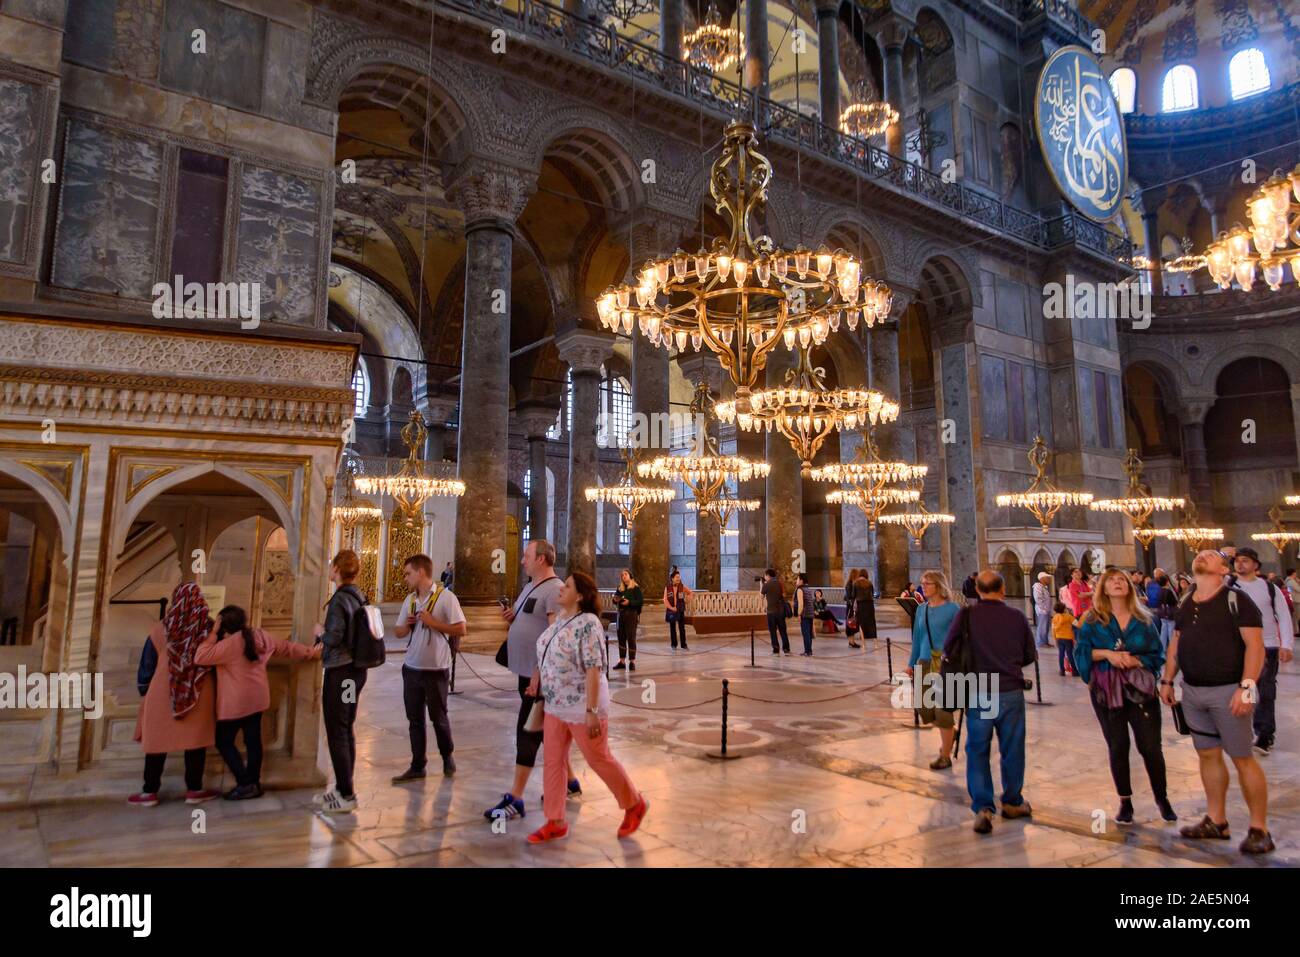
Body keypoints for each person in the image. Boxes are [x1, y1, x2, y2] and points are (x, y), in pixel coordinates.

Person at [1160, 550, 1273, 854]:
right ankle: (1216, 820)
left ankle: (1259, 828)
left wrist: (1246, 688)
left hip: (1229, 691)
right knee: (1207, 755)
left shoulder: (1237, 600)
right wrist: (1168, 680)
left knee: (1242, 757)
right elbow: (1176, 642)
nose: (1204, 553)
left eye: (1212, 554)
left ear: (1224, 569)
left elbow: (1256, 647)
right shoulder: (1186, 600)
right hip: (1194, 691)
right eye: (1200, 552)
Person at [525, 571, 648, 844]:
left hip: (583, 706)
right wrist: (537, 678)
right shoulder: (560, 620)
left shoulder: (589, 623)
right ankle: (554, 820)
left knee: (598, 758)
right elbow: (547, 654)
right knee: (554, 762)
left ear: (579, 595)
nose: (560, 589)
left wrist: (592, 711)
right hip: (555, 705)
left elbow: (594, 668)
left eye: (566, 586)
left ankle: (633, 803)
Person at [1073, 569, 1175, 826]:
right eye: (1112, 581)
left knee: (1150, 746)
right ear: (1104, 589)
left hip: (1139, 689)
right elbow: (1082, 652)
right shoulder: (1092, 620)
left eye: (1122, 580)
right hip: (1107, 691)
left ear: (1129, 587)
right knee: (1118, 746)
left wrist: (1136, 659)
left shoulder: (1144, 619)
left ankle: (1162, 798)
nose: (1117, 584)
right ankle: (1125, 801)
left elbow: (1157, 654)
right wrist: (1108, 654)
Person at [484, 540, 576, 822]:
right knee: (547, 730)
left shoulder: (555, 590)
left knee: (527, 731)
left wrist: (538, 674)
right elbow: (530, 622)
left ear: (541, 560)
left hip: (540, 678)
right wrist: (513, 619)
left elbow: (554, 637)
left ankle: (516, 798)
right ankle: (570, 782)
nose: (522, 560)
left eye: (526, 555)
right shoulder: (530, 586)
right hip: (528, 672)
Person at [944, 570, 1036, 835]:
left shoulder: (967, 616)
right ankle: (1012, 801)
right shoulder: (1016, 617)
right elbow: (1029, 654)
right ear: (1003, 589)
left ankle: (983, 807)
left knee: (978, 750)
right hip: (1009, 691)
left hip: (980, 693)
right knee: (1013, 748)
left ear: (976, 589)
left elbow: (949, 649)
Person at [195, 605, 320, 800]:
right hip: (258, 700)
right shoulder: (259, 636)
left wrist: (212, 633)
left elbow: (200, 656)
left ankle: (245, 783)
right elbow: (286, 648)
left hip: (236, 704)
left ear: (224, 625)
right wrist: (311, 653)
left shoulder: (228, 646)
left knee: (223, 741)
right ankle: (253, 782)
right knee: (253, 742)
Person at [129, 581, 219, 807]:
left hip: (164, 690)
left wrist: (144, 688)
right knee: (195, 742)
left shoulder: (162, 628)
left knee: (157, 742)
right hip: (199, 692)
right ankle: (194, 789)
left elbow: (147, 664)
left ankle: (149, 791)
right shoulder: (209, 628)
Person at [392, 554, 467, 782]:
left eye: (408, 573)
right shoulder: (410, 600)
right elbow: (398, 632)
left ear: (421, 572)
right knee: (415, 719)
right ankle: (418, 765)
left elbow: (461, 629)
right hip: (412, 667)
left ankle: (447, 757)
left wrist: (433, 622)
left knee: (439, 717)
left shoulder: (446, 598)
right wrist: (408, 624)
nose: (405, 578)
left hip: (436, 669)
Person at [312, 550, 369, 814]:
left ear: (336, 569)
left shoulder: (339, 600)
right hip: (355, 672)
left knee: (337, 730)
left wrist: (319, 633)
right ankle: (343, 789)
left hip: (341, 672)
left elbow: (335, 636)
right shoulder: (359, 596)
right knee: (345, 728)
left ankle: (346, 793)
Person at [1227, 547, 1294, 754]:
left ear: (1256, 565)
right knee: (1245, 688)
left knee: (1265, 691)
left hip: (1267, 645)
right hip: (1238, 646)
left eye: (1245, 560)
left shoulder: (1269, 588)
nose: (1240, 564)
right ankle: (1246, 731)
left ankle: (1265, 735)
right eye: (1237, 561)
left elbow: (1283, 616)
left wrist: (1287, 645)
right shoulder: (1228, 587)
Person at [906, 570, 960, 770]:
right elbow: (917, 638)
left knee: (943, 712)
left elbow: (960, 637)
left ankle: (944, 755)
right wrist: (911, 664)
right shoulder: (921, 609)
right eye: (922, 583)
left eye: (927, 583)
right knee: (925, 709)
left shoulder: (953, 609)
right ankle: (950, 734)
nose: (923, 586)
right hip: (924, 661)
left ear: (938, 586)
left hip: (945, 665)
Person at [613, 568, 642, 671]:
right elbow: (615, 598)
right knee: (621, 638)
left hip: (631, 615)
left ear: (630, 576)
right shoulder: (620, 588)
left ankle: (632, 662)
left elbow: (640, 602)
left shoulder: (635, 588)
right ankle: (622, 661)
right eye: (622, 575)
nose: (623, 576)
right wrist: (615, 599)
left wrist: (629, 603)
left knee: (631, 638)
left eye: (625, 574)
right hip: (621, 615)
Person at [762, 568, 791, 655]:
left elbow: (761, 596)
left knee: (773, 631)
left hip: (771, 612)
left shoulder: (767, 585)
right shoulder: (780, 583)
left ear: (768, 575)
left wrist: (761, 585)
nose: (764, 577)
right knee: (783, 631)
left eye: (765, 575)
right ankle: (786, 649)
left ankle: (776, 651)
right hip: (780, 611)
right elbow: (784, 595)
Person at [664, 570, 692, 650]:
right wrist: (671, 608)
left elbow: (690, 593)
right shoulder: (668, 588)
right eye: (676, 577)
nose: (678, 579)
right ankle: (674, 644)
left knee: (682, 628)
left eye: (679, 577)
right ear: (672, 578)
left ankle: (684, 645)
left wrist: (687, 600)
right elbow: (665, 600)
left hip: (680, 610)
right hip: (672, 611)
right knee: (672, 628)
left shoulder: (682, 587)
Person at [1051, 602, 1076, 676]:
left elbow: (1053, 629)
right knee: (1070, 654)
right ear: (1064, 609)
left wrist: (1055, 639)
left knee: (1061, 654)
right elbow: (1077, 624)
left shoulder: (1055, 618)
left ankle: (1062, 671)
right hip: (1068, 638)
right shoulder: (1069, 617)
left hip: (1059, 638)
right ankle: (1074, 671)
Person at [795, 573, 816, 656]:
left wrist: (799, 614)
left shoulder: (800, 590)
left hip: (804, 614)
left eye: (797, 579)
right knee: (809, 633)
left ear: (801, 580)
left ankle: (807, 651)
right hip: (810, 613)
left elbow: (801, 604)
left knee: (805, 633)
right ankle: (809, 650)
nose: (796, 581)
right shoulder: (808, 589)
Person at [1031, 572, 1054, 649]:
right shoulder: (1038, 587)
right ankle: (1041, 642)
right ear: (1042, 579)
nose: (1049, 579)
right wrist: (1043, 608)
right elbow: (1038, 598)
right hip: (1042, 611)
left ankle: (1045, 642)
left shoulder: (1044, 587)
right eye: (1047, 578)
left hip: (1046, 610)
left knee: (1046, 627)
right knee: (1042, 627)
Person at [854, 570, 877, 641]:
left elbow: (853, 595)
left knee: (861, 623)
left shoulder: (856, 583)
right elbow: (872, 593)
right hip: (869, 604)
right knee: (872, 622)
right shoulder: (869, 583)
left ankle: (863, 642)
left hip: (860, 605)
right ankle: (875, 642)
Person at [843, 570, 861, 648]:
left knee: (852, 624)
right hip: (851, 607)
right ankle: (851, 642)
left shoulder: (850, 583)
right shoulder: (851, 584)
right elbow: (849, 596)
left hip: (851, 606)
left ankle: (852, 642)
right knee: (851, 624)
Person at [1286, 568, 1300, 637]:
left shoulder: (1290, 581)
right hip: (1296, 600)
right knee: (1297, 616)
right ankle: (1296, 631)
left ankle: (1296, 630)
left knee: (1296, 616)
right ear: (1293, 573)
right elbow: (1298, 589)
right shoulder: (1290, 581)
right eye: (1295, 573)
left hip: (1295, 600)